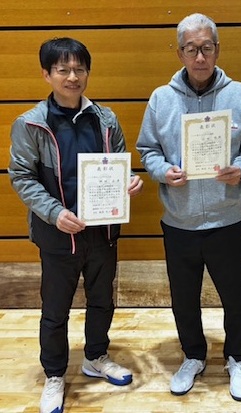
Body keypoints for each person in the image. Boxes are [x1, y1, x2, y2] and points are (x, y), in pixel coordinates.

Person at [8, 37, 143, 413]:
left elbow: (120, 164)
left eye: (79, 69)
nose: (72, 77)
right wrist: (54, 213)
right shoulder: (30, 124)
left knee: (102, 301)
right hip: (58, 236)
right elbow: (22, 177)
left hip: (103, 232)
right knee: (55, 310)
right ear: (46, 74)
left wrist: (130, 181)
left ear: (87, 72)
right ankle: (54, 374)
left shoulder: (106, 119)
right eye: (63, 69)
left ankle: (96, 356)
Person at [137, 13, 241, 402]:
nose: (200, 56)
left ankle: (236, 357)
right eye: (191, 49)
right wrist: (163, 171)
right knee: (184, 299)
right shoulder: (161, 99)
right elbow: (147, 149)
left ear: (217, 49)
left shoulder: (239, 94)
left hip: (227, 219)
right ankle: (193, 356)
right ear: (179, 53)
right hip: (179, 221)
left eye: (206, 47)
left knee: (236, 297)